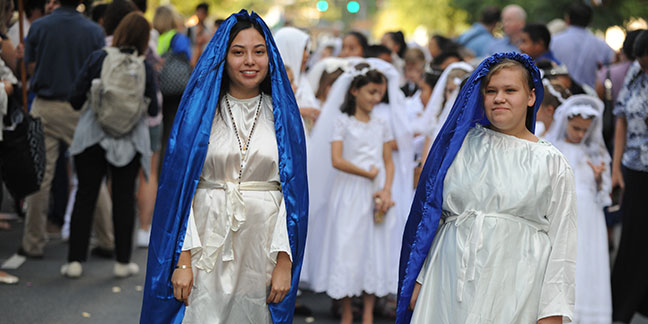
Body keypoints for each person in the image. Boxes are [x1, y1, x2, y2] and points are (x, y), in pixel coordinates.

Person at [140, 10, 308, 324]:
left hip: (263, 247)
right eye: (238, 52)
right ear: (223, 57)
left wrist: (285, 261)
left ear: (269, 57)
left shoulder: (283, 116)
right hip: (205, 240)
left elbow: (293, 194)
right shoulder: (200, 115)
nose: (250, 61)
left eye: (259, 52)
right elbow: (180, 192)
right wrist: (184, 260)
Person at [399, 53, 577, 324]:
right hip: (448, 279)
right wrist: (420, 277)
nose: (499, 98)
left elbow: (563, 241)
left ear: (531, 97)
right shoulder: (461, 147)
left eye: (510, 90)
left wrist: (552, 312)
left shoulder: (551, 162)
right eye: (491, 91)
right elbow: (435, 218)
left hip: (516, 285)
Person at [61, 12, 158, 278]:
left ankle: (75, 261)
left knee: (86, 196)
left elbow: (75, 99)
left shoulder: (98, 58)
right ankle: (123, 262)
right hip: (128, 142)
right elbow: (153, 110)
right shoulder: (143, 66)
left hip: (92, 137)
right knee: (124, 199)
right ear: (144, 39)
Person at [309, 66, 395, 324]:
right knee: (346, 246)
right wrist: (364, 173)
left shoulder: (382, 123)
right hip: (348, 190)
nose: (375, 98)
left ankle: (368, 311)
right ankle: (347, 309)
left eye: (379, 93)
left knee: (372, 247)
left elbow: (388, 161)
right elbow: (336, 159)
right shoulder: (342, 121)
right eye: (371, 92)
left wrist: (386, 189)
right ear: (355, 91)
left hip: (374, 191)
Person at [20, 0, 105, 259]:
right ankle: (108, 237)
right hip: (80, 108)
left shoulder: (39, 27)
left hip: (44, 105)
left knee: (39, 175)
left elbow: (29, 66)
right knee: (92, 175)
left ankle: (33, 241)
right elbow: (99, 68)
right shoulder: (93, 30)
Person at [545, 95, 612, 324]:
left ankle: (589, 312)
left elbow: (605, 193)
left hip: (590, 216)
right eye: (576, 128)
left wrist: (599, 178)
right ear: (565, 122)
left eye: (585, 130)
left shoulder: (596, 153)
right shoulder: (553, 148)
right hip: (565, 212)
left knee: (589, 261)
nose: (581, 134)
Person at [610, 30, 648, 324]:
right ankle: (623, 306)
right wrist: (616, 167)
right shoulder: (636, 72)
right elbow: (621, 117)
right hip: (635, 166)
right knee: (633, 238)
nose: (643, 66)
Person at [550, 3, 614, 88]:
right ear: (590, 22)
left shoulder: (553, 42)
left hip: (560, 94)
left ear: (567, 19)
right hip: (590, 97)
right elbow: (613, 67)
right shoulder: (602, 46)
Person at [274, 27, 320, 133]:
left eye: (307, 50)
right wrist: (300, 112)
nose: (307, 55)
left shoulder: (303, 81)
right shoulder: (273, 83)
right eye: (303, 49)